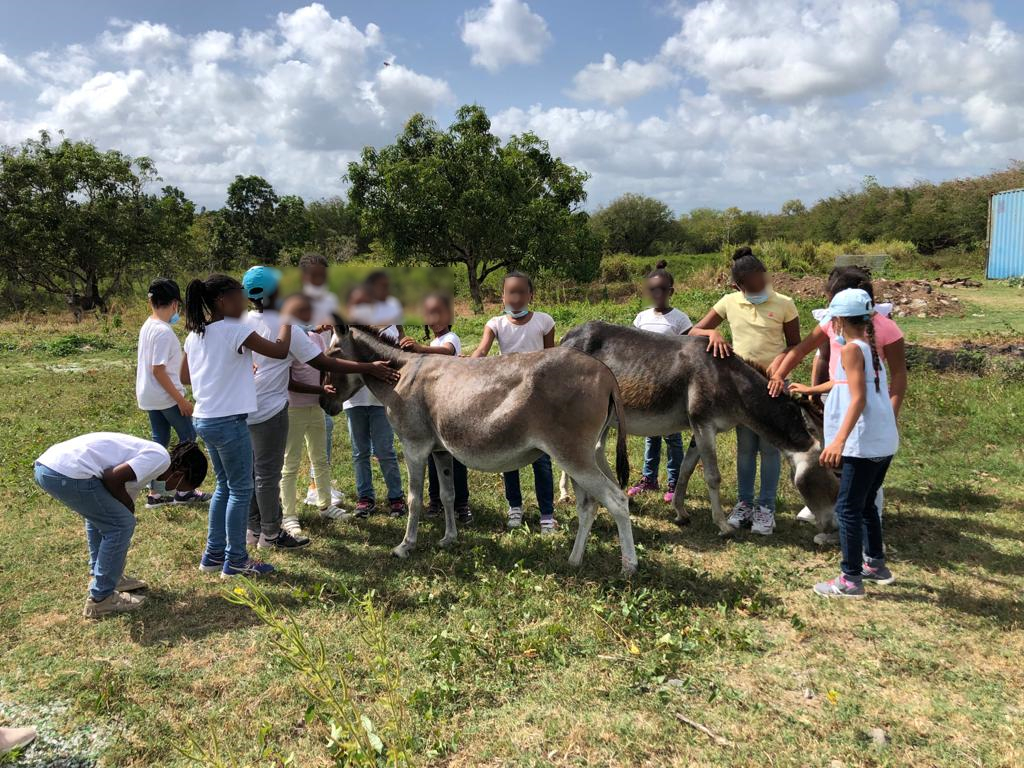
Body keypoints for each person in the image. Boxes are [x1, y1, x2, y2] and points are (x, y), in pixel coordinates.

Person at [243, 269, 400, 546]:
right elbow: (325, 363)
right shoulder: (284, 327)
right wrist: (368, 367)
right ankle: (273, 529)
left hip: (243, 408)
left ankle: (254, 528)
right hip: (276, 408)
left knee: (256, 470)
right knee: (273, 472)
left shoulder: (242, 321)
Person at [768, 266, 907, 533]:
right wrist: (780, 375)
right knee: (834, 459)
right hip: (836, 400)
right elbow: (801, 349)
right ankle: (835, 509)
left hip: (869, 406)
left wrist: (891, 413)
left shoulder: (887, 329)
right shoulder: (832, 324)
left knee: (863, 465)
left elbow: (899, 377)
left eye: (833, 303)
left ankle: (867, 520)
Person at [786, 289, 898, 598]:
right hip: (883, 441)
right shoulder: (868, 348)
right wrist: (811, 387)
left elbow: (858, 398)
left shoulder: (851, 350)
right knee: (865, 505)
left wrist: (838, 441)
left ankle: (850, 579)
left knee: (848, 508)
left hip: (862, 443)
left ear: (836, 321)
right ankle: (875, 564)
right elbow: (843, 382)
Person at [181, 274, 293, 579]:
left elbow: (186, 377)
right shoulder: (235, 329)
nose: (244, 302)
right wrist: (286, 318)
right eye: (239, 296)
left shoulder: (196, 334)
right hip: (228, 421)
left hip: (204, 418)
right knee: (241, 490)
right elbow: (281, 350)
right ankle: (236, 561)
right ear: (222, 301)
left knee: (224, 487)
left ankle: (213, 555)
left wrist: (228, 368)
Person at [34, 433, 208, 617]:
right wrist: (127, 513)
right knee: (121, 525)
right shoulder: (160, 459)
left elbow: (120, 495)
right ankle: (102, 599)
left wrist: (126, 511)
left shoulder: (148, 466)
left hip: (49, 467)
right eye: (178, 488)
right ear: (179, 474)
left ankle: (106, 577)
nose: (172, 492)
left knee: (105, 520)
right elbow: (112, 478)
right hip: (67, 473)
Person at [690, 246, 800, 536]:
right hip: (743, 390)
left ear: (766, 276)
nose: (759, 290)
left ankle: (766, 508)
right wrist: (712, 333)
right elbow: (693, 332)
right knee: (746, 449)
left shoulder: (785, 304)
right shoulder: (728, 302)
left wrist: (779, 374)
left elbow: (794, 347)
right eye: (750, 288)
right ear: (736, 286)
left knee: (770, 449)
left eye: (761, 283)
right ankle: (744, 504)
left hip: (775, 386)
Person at [471, 271, 557, 533]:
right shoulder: (495, 324)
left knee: (541, 457)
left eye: (521, 292)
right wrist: (464, 366)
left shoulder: (544, 322)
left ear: (531, 295)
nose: (516, 297)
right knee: (510, 455)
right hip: (508, 398)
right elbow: (482, 351)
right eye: (511, 292)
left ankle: (546, 513)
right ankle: (515, 507)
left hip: (538, 400)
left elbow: (551, 360)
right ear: (503, 296)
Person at [135, 277, 210, 508]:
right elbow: (158, 370)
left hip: (149, 396)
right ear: (176, 303)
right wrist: (181, 400)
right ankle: (184, 491)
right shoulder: (163, 331)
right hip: (166, 397)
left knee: (159, 444)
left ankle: (156, 494)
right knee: (188, 439)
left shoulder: (148, 325)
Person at [280, 292, 351, 532]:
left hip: (315, 407)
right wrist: (319, 388)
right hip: (294, 409)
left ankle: (325, 505)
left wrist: (324, 389)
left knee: (320, 459)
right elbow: (287, 381)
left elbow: (323, 368)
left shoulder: (316, 339)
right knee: (290, 464)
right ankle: (289, 514)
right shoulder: (288, 339)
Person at [399, 292, 472, 524]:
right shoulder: (432, 342)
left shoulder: (450, 338)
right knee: (433, 457)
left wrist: (421, 349)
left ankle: (461, 504)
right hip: (434, 408)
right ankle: (436, 501)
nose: (434, 317)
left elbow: (448, 351)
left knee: (456, 458)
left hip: (452, 405)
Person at [627, 260, 693, 504]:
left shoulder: (680, 319)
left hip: (671, 385)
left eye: (662, 289)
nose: (657, 294)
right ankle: (649, 478)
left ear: (671, 291)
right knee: (650, 434)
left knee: (672, 436)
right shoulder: (642, 317)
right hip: (645, 383)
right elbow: (632, 348)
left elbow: (689, 351)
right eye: (652, 289)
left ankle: (674, 482)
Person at [344, 284, 407, 518]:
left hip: (382, 400)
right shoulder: (344, 332)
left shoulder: (389, 329)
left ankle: (396, 497)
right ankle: (365, 497)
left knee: (385, 449)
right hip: (355, 401)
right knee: (359, 451)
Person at [298, 253, 344, 510]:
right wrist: (312, 328)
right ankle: (315, 486)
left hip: (326, 372)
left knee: (324, 429)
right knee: (305, 433)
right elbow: (289, 328)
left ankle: (319, 483)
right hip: (302, 374)